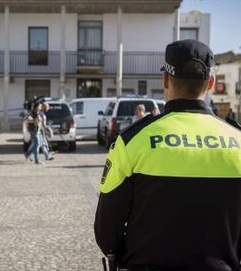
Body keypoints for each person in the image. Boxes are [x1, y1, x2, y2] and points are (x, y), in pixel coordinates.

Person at [94, 39, 241, 270]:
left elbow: (106, 232)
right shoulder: (238, 141)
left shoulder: (132, 141)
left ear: (164, 79)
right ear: (210, 82)